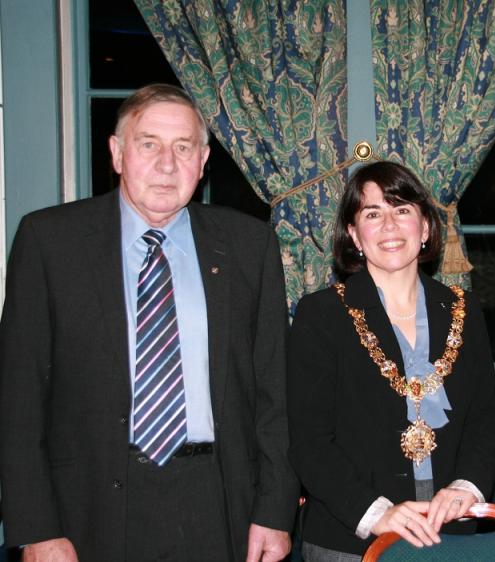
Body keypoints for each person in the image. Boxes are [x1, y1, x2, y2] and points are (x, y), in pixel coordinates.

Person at [0, 84, 298, 562]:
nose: (167, 165)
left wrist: (275, 511)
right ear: (117, 153)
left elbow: (274, 395)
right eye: (149, 144)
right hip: (88, 510)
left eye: (183, 148)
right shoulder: (49, 242)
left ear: (203, 161)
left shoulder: (248, 245)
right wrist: (36, 529)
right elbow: (19, 399)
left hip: (220, 504)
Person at [287, 161, 495, 560]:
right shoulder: (321, 315)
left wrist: (467, 487)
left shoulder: (463, 308)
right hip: (351, 539)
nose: (389, 225)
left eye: (402, 210)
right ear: (355, 235)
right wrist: (377, 514)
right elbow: (308, 440)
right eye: (372, 214)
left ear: (425, 228)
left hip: (450, 532)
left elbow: (485, 418)